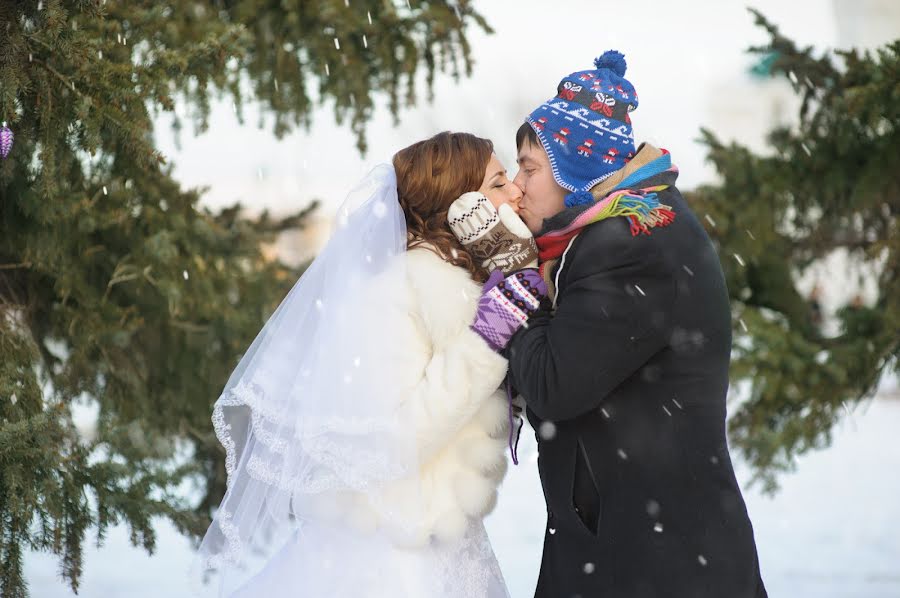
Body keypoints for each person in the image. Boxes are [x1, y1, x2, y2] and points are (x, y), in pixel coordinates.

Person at [452, 50, 768, 598]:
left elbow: (553, 384)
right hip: (634, 543)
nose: (519, 186)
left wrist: (511, 271)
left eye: (529, 167)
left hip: (655, 559)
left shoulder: (628, 244)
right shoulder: (615, 229)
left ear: (577, 167)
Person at [192, 132, 547, 597]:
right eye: (498, 182)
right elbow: (392, 439)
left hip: (451, 545)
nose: (516, 191)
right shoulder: (391, 291)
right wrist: (485, 341)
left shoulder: (471, 283)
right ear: (458, 203)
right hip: (396, 555)